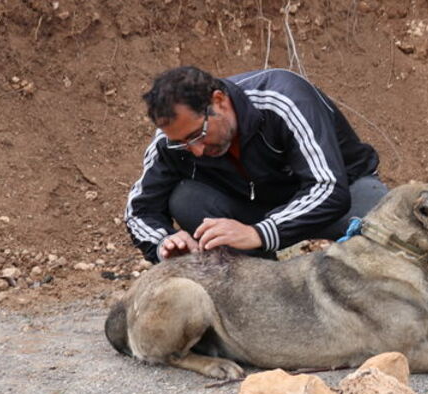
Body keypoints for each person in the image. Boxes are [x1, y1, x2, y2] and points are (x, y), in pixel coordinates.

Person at [124, 66, 386, 262]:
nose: (197, 150)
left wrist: (259, 233)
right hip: (253, 207)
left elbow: (328, 186)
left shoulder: (282, 98)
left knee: (386, 221)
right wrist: (163, 243)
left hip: (341, 195)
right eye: (183, 143)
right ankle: (264, 295)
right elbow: (139, 210)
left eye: (198, 135)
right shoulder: (172, 140)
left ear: (219, 101)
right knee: (186, 199)